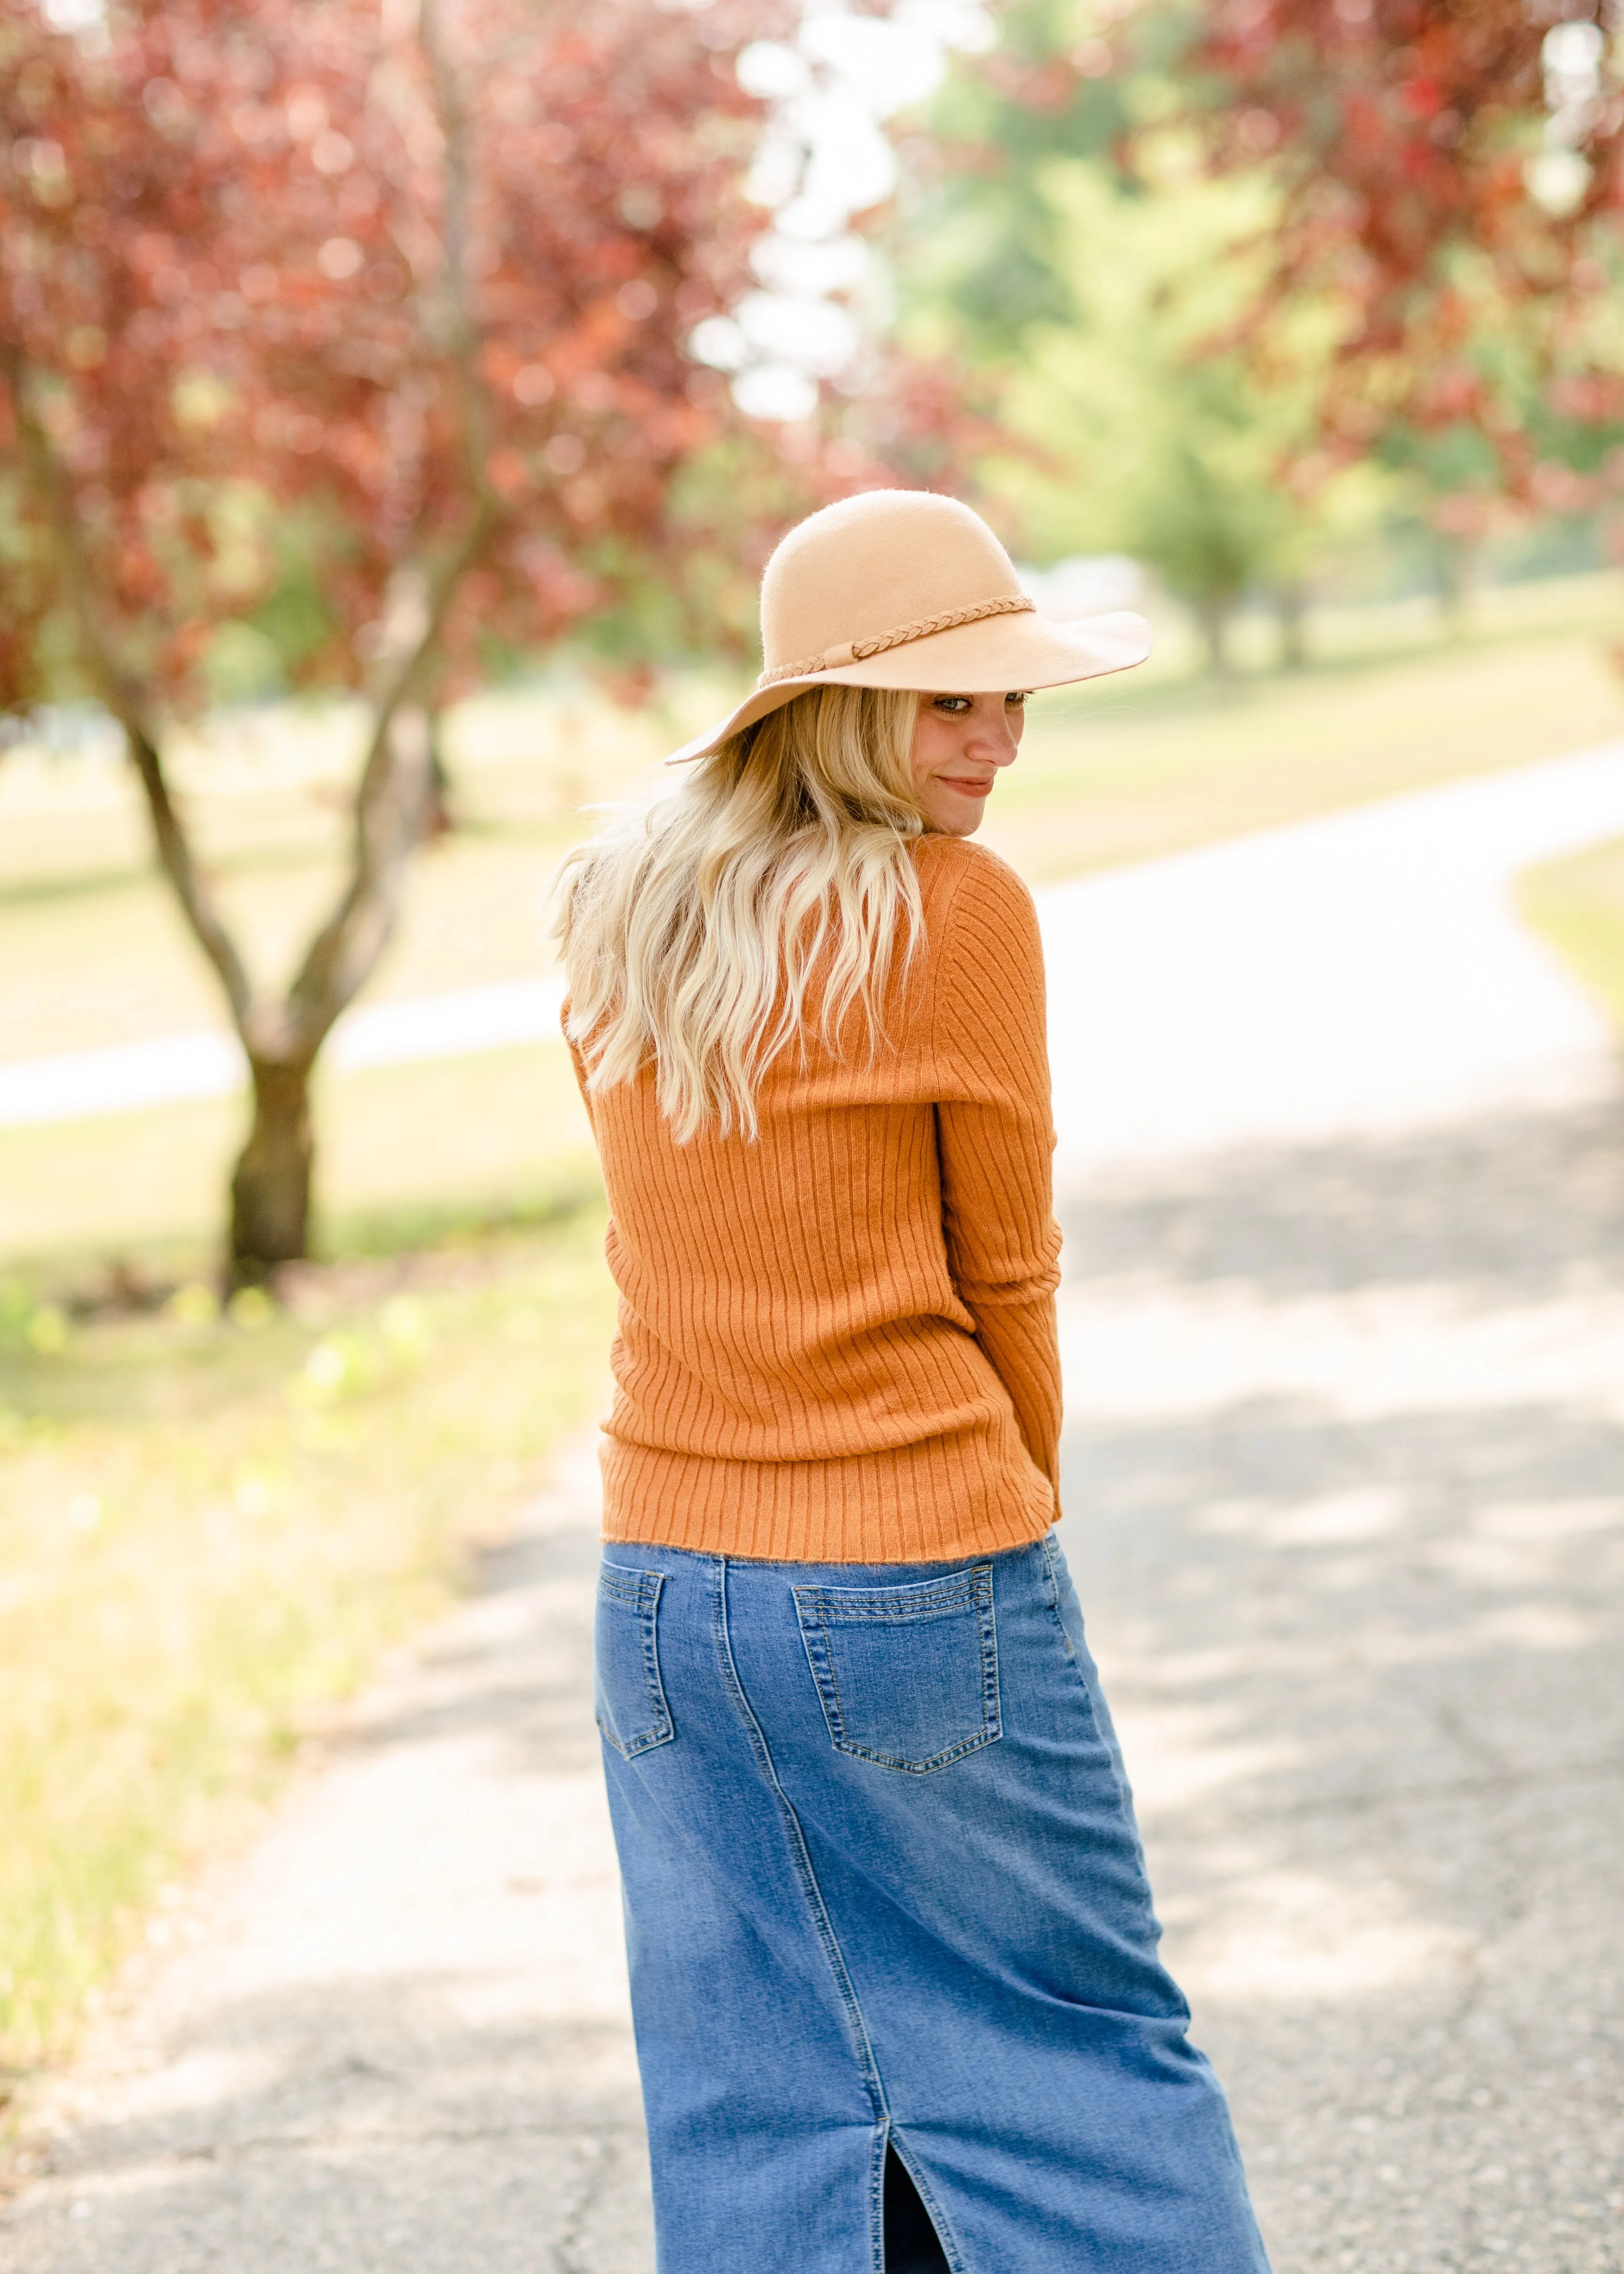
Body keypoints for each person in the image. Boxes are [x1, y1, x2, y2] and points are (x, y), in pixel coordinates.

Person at [554, 489, 1270, 2274]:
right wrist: (1012, 1499)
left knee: (767, 2095)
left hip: (659, 1600)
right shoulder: (952, 912)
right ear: (844, 708)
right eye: (956, 702)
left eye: (1015, 699)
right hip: (909, 1580)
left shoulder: (619, 905)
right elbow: (1006, 1269)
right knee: (1082, 2053)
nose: (1002, 738)